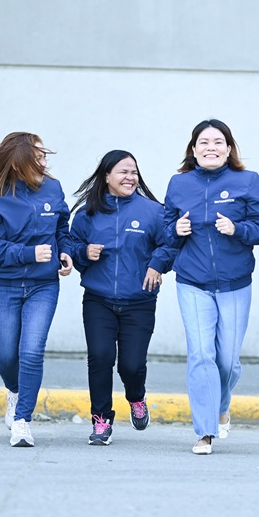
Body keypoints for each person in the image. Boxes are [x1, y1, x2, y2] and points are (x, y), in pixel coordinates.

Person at [163, 119, 259, 455]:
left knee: (226, 361)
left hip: (235, 283)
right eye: (204, 142)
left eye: (218, 142)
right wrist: (175, 229)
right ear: (193, 149)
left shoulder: (248, 181)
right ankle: (205, 431)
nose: (211, 148)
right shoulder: (178, 184)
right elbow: (165, 230)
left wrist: (237, 229)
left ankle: (221, 405)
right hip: (192, 282)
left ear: (229, 148)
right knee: (201, 355)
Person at [70, 149, 176, 446]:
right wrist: (83, 253)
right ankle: (101, 421)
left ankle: (136, 397)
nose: (131, 177)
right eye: (123, 172)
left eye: (134, 172)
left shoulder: (153, 211)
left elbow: (170, 245)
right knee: (100, 358)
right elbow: (72, 244)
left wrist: (157, 264)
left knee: (131, 365)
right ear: (106, 177)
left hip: (139, 301)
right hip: (98, 299)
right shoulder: (88, 214)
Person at [0, 132, 73, 448]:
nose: (45, 162)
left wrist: (65, 252)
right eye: (38, 157)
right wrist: (29, 253)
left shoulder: (53, 188)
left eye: (45, 156)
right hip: (3, 286)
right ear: (19, 164)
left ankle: (22, 421)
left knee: (31, 352)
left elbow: (62, 228)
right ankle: (14, 392)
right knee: (6, 356)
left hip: (43, 285)